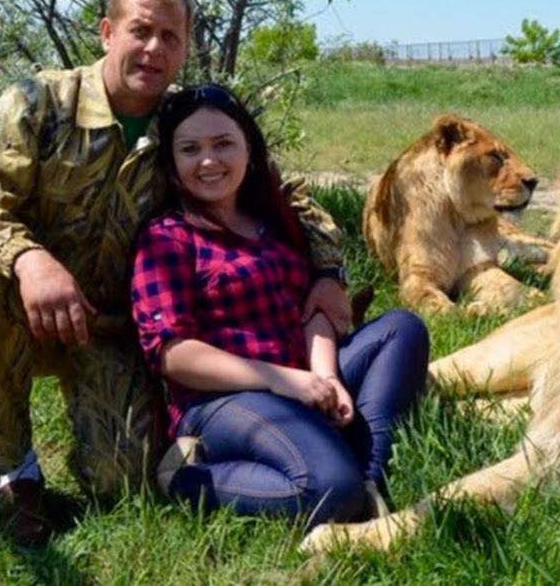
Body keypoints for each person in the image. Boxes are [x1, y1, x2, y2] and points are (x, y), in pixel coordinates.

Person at [0, 0, 352, 546]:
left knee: (122, 485)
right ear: (108, 33)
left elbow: (289, 198)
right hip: (24, 310)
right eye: (140, 31)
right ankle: (15, 475)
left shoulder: (186, 128)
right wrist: (29, 259)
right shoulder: (40, 104)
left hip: (116, 332)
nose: (154, 48)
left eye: (170, 37)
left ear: (184, 49)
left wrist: (328, 273)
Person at [130, 84, 430, 527]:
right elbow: (174, 355)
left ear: (248, 148)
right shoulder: (167, 238)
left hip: (298, 375)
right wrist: (280, 380)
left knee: (401, 328)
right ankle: (186, 479)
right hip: (224, 398)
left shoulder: (274, 220)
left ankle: (369, 482)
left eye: (223, 144)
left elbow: (313, 312)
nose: (209, 161)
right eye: (190, 149)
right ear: (172, 163)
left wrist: (325, 377)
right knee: (329, 488)